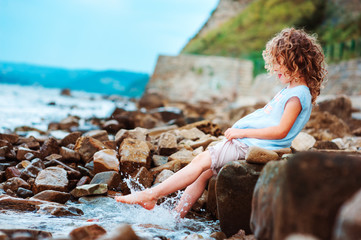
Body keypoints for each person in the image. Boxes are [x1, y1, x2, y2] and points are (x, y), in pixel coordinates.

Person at [115, 28, 327, 218]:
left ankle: (152, 194)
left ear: (296, 62)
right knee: (203, 174)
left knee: (199, 162)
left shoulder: (297, 95)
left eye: (279, 63)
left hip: (248, 144)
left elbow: (281, 131)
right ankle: (176, 218)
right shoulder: (292, 90)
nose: (275, 69)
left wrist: (239, 134)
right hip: (251, 144)